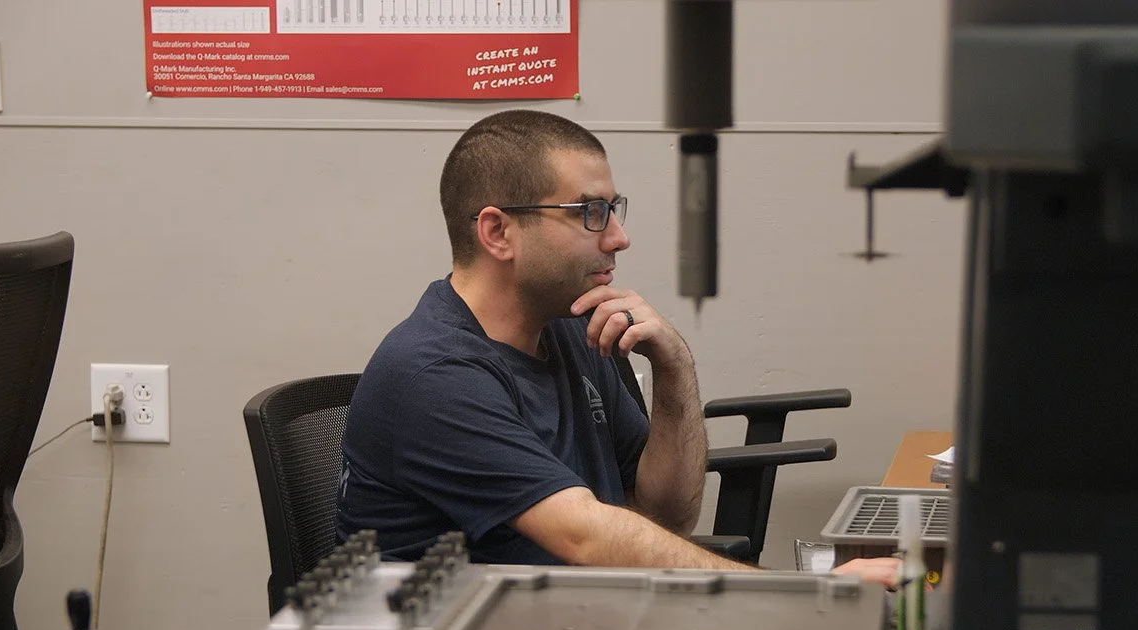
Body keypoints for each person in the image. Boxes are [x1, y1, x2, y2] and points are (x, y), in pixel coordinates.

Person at [336, 109, 899, 587]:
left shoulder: (570, 327)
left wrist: (674, 366)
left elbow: (666, 517)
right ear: (498, 232)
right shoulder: (434, 372)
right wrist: (803, 595)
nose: (618, 237)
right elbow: (585, 537)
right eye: (589, 212)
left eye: (612, 209)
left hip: (576, 625)